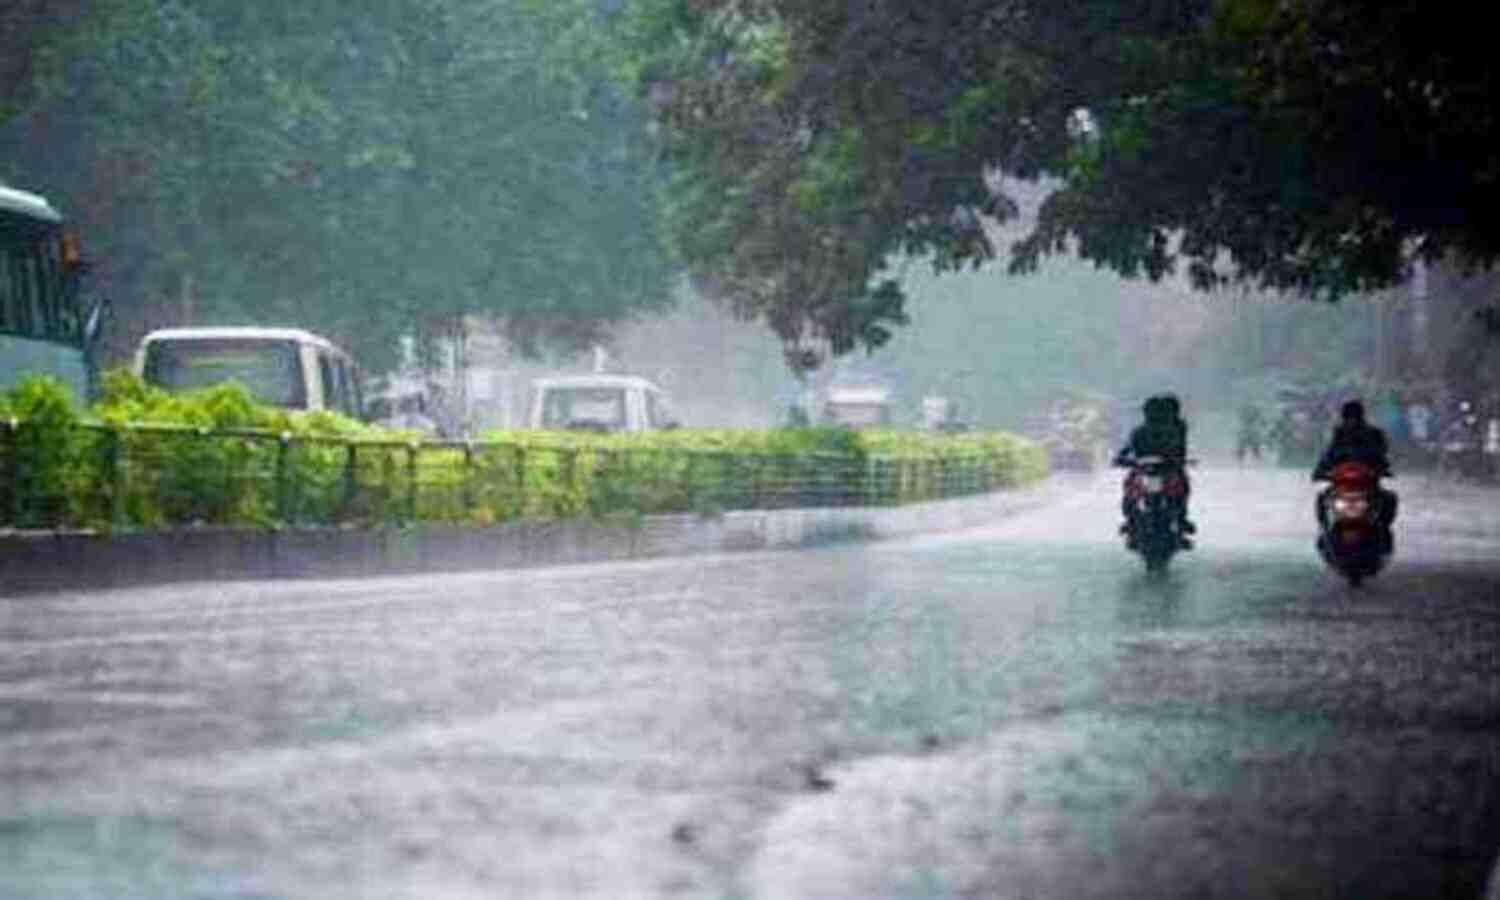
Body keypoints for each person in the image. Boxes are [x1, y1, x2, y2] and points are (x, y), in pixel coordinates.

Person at [1312, 400, 1397, 552]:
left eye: (1354, 416)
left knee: (1388, 498)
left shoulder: (1373, 434)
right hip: (1342, 483)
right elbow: (1329, 455)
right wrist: (1319, 471)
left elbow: (1381, 455)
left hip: (1367, 483)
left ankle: (1383, 528)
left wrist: (1383, 469)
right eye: (1349, 416)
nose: (1351, 420)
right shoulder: (1338, 433)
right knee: (1322, 498)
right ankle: (1324, 528)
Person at [1114, 394, 1195, 547]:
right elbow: (1128, 448)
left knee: (1180, 489)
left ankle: (1180, 519)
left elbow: (1180, 450)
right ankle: (1131, 520)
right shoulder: (1140, 431)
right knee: (1130, 490)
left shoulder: (1176, 428)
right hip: (1145, 470)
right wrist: (1122, 459)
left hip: (1168, 470)